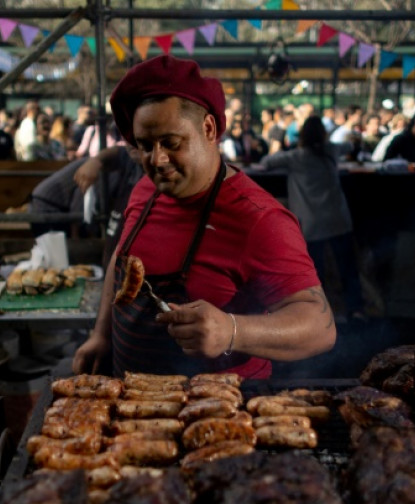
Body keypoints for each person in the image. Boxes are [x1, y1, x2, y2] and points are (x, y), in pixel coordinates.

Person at [72, 55, 336, 378]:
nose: (157, 160)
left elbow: (320, 327)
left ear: (208, 128)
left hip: (220, 415)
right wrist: (101, 335)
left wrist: (231, 330)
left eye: (171, 143)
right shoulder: (146, 189)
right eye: (144, 145)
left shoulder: (259, 219)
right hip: (132, 406)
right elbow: (123, 258)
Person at [258, 116, 364, 322]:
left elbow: (266, 162)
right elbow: (350, 145)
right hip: (338, 219)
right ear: (323, 134)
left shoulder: (295, 157)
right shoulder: (331, 150)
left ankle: (319, 315)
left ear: (303, 135)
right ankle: (356, 309)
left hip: (311, 224)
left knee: (315, 274)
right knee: (347, 268)